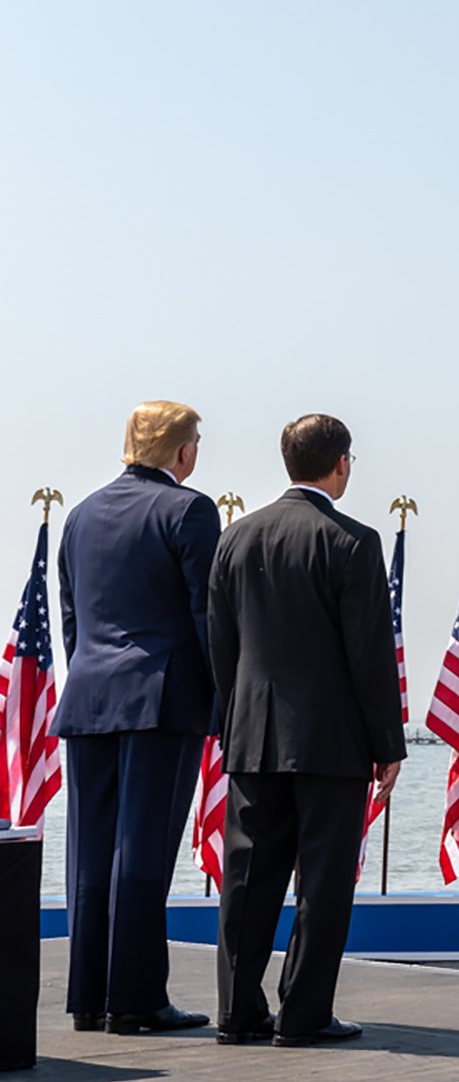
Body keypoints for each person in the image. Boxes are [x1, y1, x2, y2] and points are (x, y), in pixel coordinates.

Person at [208, 413, 405, 1047]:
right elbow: (369, 655)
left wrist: (231, 722)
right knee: (321, 881)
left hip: (251, 735)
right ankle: (304, 1015)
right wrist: (387, 745)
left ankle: (238, 1014)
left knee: (245, 878)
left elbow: (222, 645)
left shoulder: (235, 537)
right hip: (331, 742)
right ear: (340, 463)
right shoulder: (354, 541)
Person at [54, 400, 219, 1035]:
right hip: (162, 698)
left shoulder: (81, 514)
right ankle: (137, 999)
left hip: (91, 696)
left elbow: (72, 615)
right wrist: (225, 699)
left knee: (91, 855)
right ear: (182, 452)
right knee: (143, 852)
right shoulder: (188, 509)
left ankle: (90, 999)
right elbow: (209, 616)